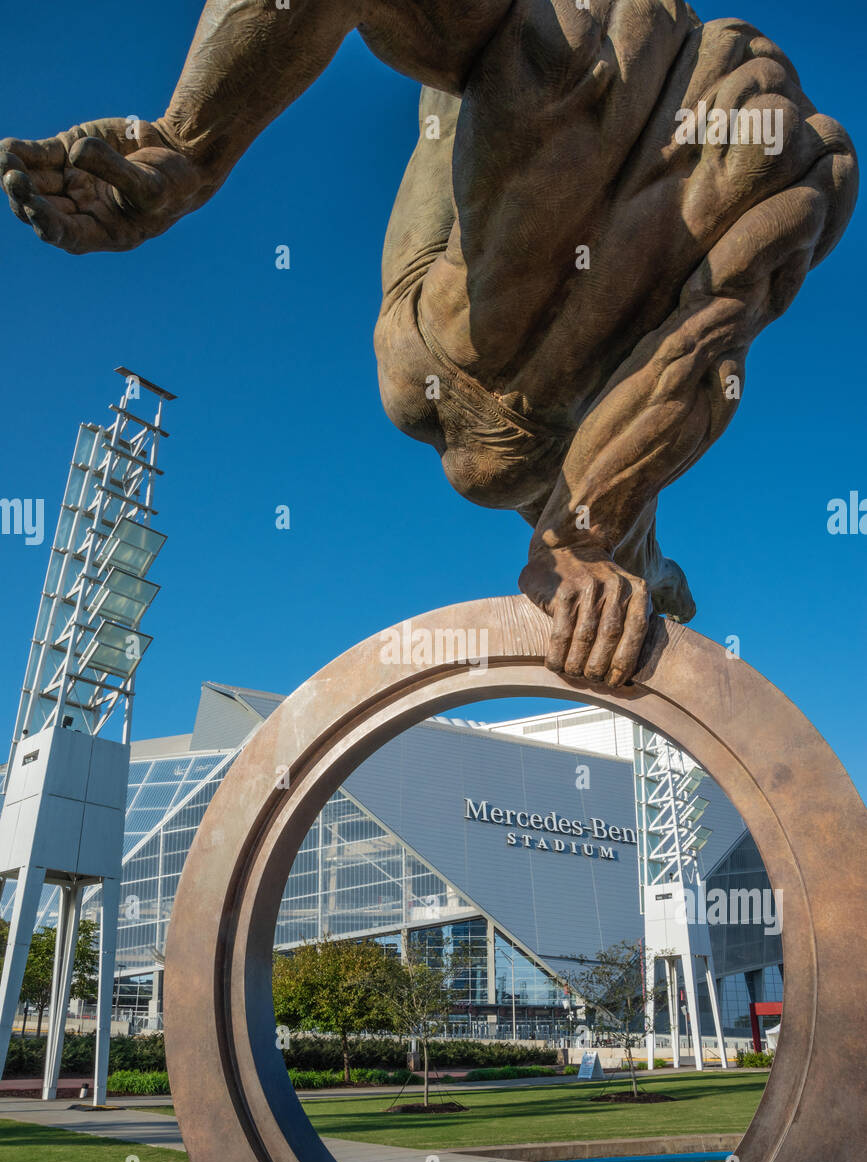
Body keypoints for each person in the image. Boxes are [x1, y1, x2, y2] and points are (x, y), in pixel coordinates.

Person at [1, 1, 856, 685]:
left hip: (444, 358)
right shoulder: (794, 159)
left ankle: (635, 546)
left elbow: (696, 350)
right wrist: (579, 534)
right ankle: (634, 546)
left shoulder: (587, 38)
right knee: (760, 211)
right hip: (540, 424)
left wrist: (185, 148)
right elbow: (696, 355)